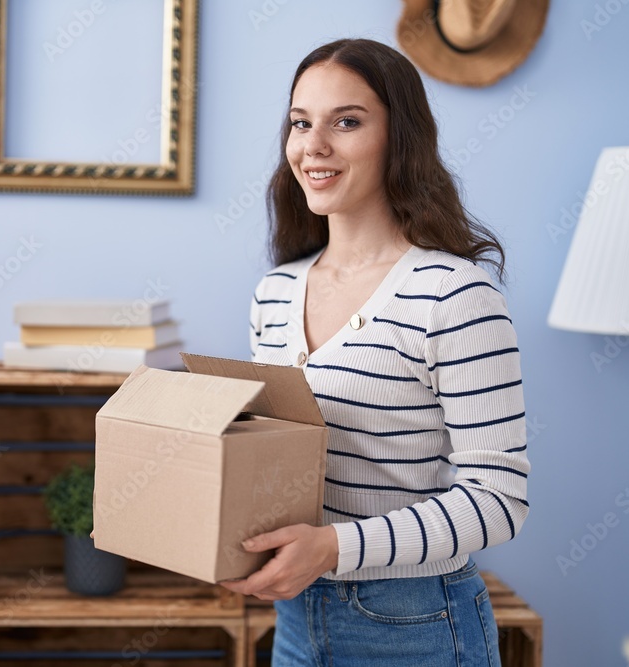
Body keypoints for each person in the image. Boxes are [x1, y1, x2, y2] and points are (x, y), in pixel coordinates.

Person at [219, 39, 530, 667]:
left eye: (347, 122)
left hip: (416, 623)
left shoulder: (453, 294)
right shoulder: (275, 293)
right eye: (301, 123)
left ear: (400, 138)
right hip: (298, 618)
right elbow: (282, 462)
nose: (314, 146)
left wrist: (334, 547)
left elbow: (499, 500)